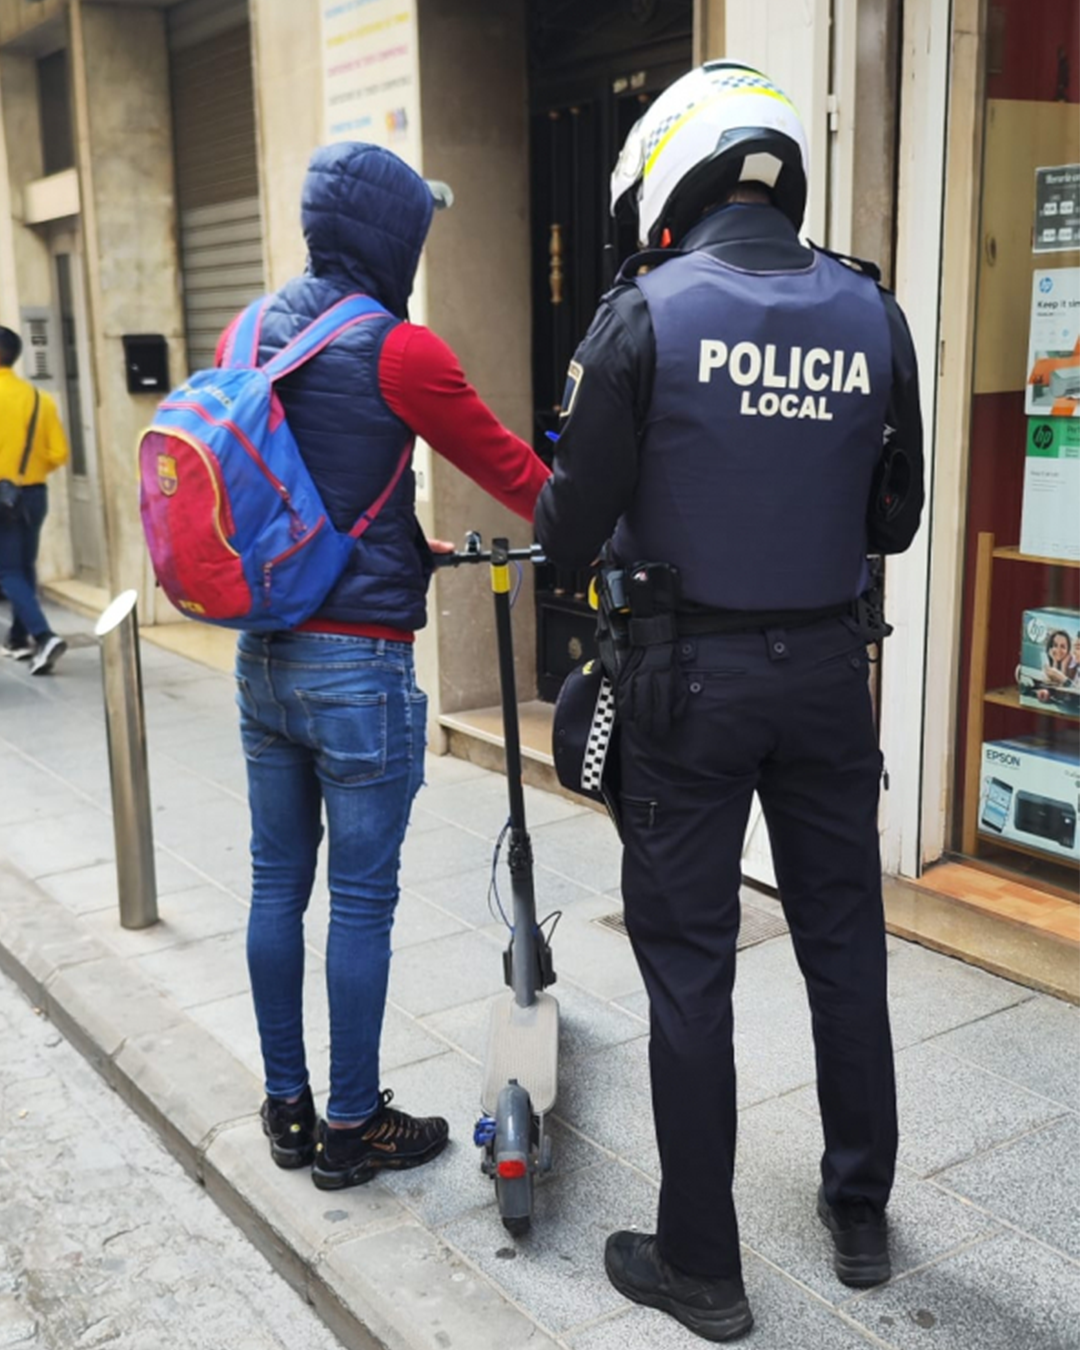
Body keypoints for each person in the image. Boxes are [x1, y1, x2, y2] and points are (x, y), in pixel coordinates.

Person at [535, 61, 924, 1343]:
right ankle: (859, 1216)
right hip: (829, 679)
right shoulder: (875, 312)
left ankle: (702, 1266)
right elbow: (897, 519)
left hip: (683, 690)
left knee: (692, 970)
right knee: (844, 946)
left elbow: (566, 530)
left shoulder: (643, 315)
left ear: (673, 172)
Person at [216, 143, 550, 1190]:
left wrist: (405, 545)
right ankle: (352, 1129)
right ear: (394, 238)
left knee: (276, 885)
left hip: (264, 658)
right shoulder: (399, 350)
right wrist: (618, 521)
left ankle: (287, 1110)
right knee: (360, 902)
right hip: (357, 670)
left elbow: (296, 481)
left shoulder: (246, 329)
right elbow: (518, 474)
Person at [0, 326, 70, 675]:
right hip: (34, 493)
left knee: (8, 571)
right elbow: (59, 453)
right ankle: (18, 638)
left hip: (3, 498)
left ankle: (44, 636)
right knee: (24, 566)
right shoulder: (40, 399)